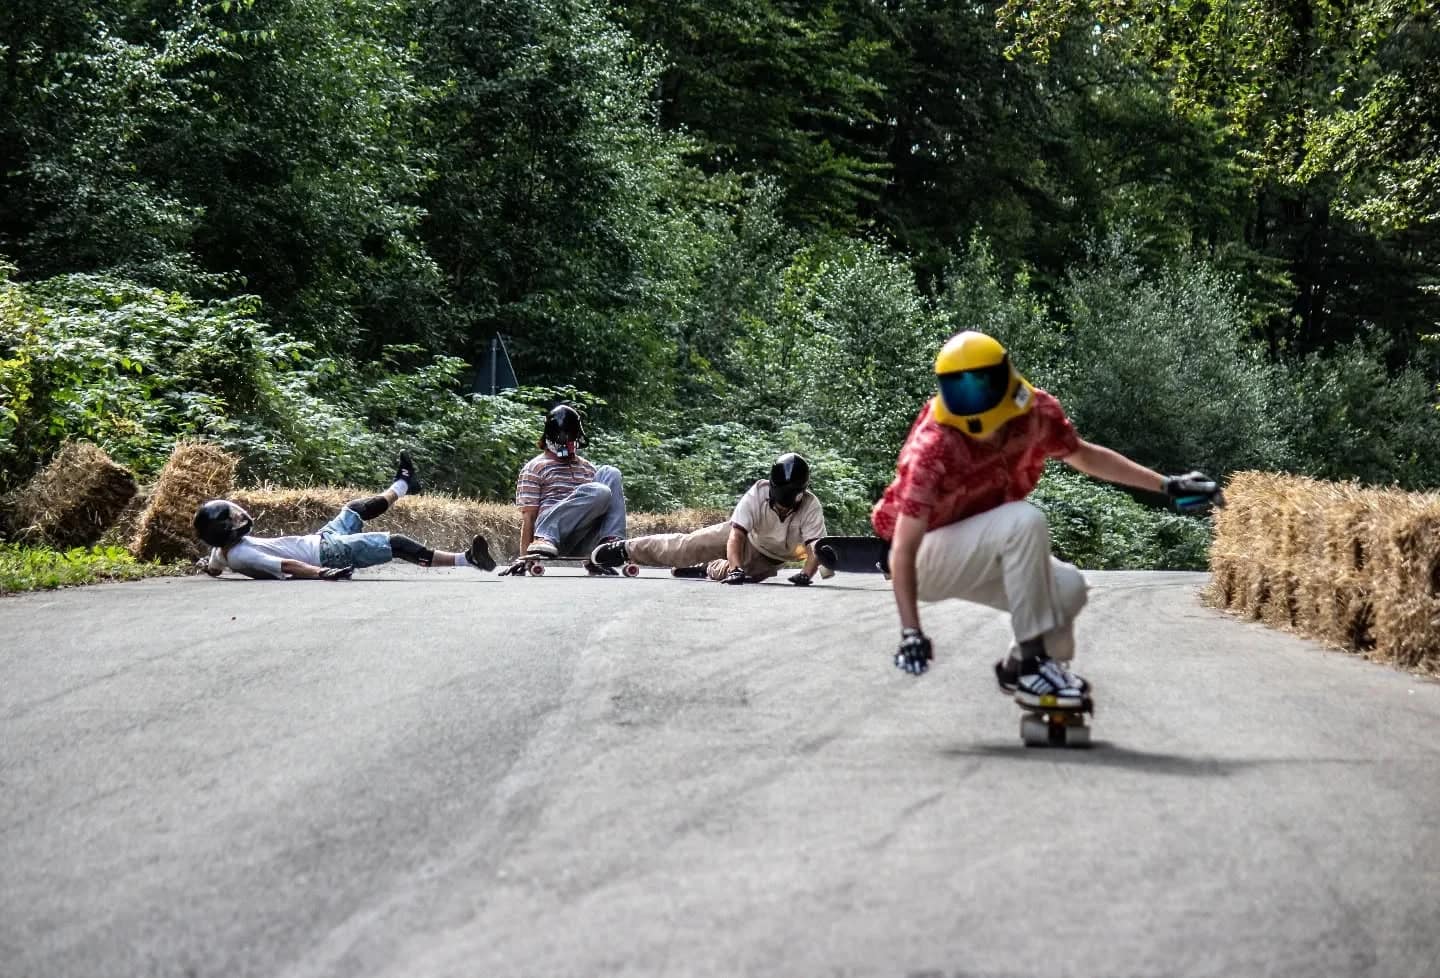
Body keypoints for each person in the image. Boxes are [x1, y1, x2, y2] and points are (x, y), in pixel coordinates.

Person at [874, 330, 1223, 708]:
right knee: (1023, 521)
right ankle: (1033, 661)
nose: (971, 402)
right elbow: (904, 550)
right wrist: (911, 631)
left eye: (980, 387)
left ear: (1006, 377)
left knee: (1069, 587)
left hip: (985, 544)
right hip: (926, 560)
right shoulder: (934, 445)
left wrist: (1168, 485)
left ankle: (1025, 671)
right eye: (959, 392)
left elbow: (1085, 456)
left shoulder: (1034, 412)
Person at [196, 452, 495, 580]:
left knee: (353, 509)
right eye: (233, 518)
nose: (240, 517)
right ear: (227, 529)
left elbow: (215, 567)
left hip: (321, 540)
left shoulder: (221, 552)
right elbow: (286, 565)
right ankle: (467, 559)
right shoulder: (243, 555)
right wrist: (321, 573)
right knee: (396, 543)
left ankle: (405, 482)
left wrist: (206, 568)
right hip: (327, 555)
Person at [590, 453, 826, 585]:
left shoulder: (810, 505)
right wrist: (736, 568)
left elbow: (814, 547)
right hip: (745, 536)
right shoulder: (758, 492)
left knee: (745, 577)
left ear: (801, 493)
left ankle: (707, 568)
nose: (784, 509)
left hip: (771, 558)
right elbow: (736, 535)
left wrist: (807, 574)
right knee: (688, 545)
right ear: (773, 489)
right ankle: (626, 549)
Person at [502, 404, 628, 574]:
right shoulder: (535, 468)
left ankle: (608, 546)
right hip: (549, 539)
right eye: (563, 439)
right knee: (600, 491)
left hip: (582, 538)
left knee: (610, 472)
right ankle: (546, 536)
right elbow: (529, 517)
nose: (568, 445)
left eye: (571, 439)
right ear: (550, 438)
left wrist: (593, 563)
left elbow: (595, 507)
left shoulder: (587, 468)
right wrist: (526, 558)